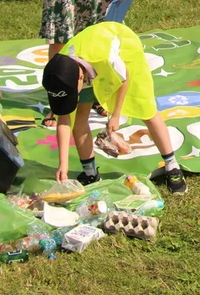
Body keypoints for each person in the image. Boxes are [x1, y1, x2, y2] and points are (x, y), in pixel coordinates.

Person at [42, 21, 187, 193]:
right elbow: (64, 121)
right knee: (80, 116)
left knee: (145, 107)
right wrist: (63, 165)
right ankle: (90, 172)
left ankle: (172, 166)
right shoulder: (61, 71)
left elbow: (124, 76)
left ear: (80, 78)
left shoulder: (105, 57)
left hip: (124, 51)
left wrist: (115, 115)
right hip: (88, 65)